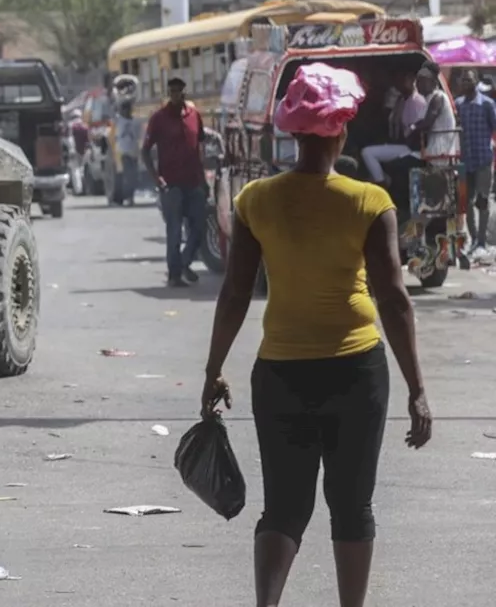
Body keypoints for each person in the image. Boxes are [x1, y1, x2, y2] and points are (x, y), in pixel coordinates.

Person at [201, 62, 431, 607]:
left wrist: (212, 371)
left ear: (293, 130)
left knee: (283, 507)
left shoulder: (256, 199)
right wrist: (418, 388)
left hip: (280, 372)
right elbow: (393, 301)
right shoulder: (369, 202)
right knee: (353, 506)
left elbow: (234, 294)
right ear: (343, 130)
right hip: (356, 371)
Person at [142, 76, 209, 287]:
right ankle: (174, 275)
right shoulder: (159, 118)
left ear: (184, 92)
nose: (175, 95)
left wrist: (204, 179)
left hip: (194, 182)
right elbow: (145, 151)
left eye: (178, 91)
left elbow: (200, 147)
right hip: (171, 184)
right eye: (172, 91)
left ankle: (183, 262)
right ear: (168, 94)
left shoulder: (194, 115)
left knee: (200, 227)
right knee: (174, 230)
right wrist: (157, 178)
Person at [360, 66, 427, 185]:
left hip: (411, 148)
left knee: (367, 152)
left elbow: (418, 129)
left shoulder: (418, 101)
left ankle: (381, 183)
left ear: (412, 80)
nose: (399, 83)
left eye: (402, 80)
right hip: (399, 143)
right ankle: (383, 179)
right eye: (397, 80)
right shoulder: (402, 100)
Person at [454, 68, 496, 252]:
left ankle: (481, 241)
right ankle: (472, 238)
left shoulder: (487, 104)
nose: (465, 84)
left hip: (483, 160)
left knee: (483, 200)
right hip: (465, 161)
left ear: (476, 81)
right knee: (466, 202)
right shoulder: (458, 105)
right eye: (463, 80)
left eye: (469, 80)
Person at [114, 99, 142, 206]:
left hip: (133, 151)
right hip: (123, 152)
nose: (127, 111)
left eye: (128, 109)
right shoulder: (118, 120)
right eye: (124, 109)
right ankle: (124, 198)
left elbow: (138, 136)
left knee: (133, 177)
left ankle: (131, 197)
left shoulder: (135, 122)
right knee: (126, 176)